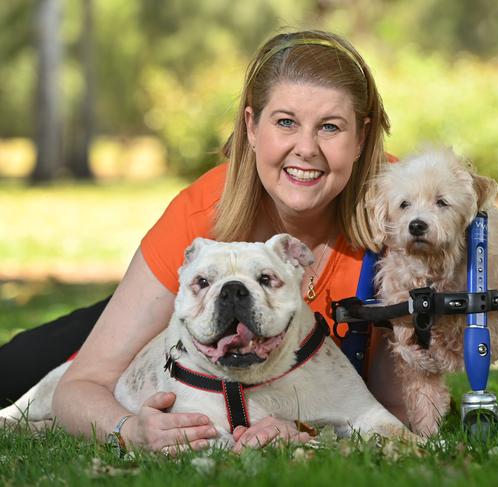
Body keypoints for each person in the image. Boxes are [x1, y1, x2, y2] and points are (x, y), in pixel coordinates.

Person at [0, 29, 405, 453]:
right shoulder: (202, 211)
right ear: (251, 126)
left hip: (282, 367)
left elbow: (404, 415)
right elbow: (83, 385)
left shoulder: (406, 207)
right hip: (165, 326)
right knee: (14, 370)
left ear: (361, 137)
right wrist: (127, 429)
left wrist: (305, 432)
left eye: (330, 127)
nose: (306, 148)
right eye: (285, 122)